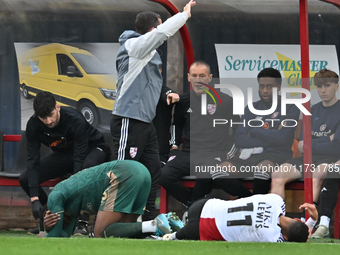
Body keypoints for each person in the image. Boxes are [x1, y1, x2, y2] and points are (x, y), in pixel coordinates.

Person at [110, 0, 196, 220]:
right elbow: (161, 34)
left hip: (145, 122)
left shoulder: (149, 54)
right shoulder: (133, 46)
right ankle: (107, 223)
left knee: (152, 171)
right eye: (158, 27)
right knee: (124, 172)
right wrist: (182, 15)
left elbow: (149, 84)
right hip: (129, 118)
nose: (160, 31)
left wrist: (166, 92)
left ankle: (145, 222)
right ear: (151, 30)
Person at [19, 91, 111, 234]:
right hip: (66, 154)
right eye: (44, 118)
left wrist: (69, 194)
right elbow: (32, 160)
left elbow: (79, 160)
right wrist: (34, 198)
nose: (49, 121)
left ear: (58, 107)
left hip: (93, 149)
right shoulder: (33, 125)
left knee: (85, 169)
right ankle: (52, 218)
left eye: (51, 115)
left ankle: (81, 223)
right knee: (25, 178)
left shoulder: (75, 119)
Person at [159, 60, 239, 207]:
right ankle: (191, 204)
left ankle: (193, 210)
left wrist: (231, 153)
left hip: (214, 154)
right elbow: (176, 124)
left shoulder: (226, 100)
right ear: (188, 77)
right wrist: (174, 145)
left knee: (206, 173)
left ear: (210, 77)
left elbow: (237, 129)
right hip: (188, 154)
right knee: (163, 175)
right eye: (194, 76)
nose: (198, 80)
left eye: (202, 75)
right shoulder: (183, 100)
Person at [212, 67, 300, 197]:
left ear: (279, 87)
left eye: (270, 87)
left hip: (276, 156)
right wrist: (272, 134)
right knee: (218, 172)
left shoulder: (290, 107)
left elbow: (283, 138)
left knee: (262, 170)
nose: (265, 90)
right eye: (262, 86)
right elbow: (240, 139)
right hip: (249, 157)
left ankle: (257, 208)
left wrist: (254, 130)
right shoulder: (251, 108)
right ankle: (251, 201)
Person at [40, 160, 183, 238]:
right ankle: (164, 224)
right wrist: (49, 228)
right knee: (123, 235)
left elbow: (56, 236)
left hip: (124, 173)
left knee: (100, 233)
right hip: (142, 172)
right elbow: (65, 235)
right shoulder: (70, 206)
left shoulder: (55, 195)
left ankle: (155, 225)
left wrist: (44, 233)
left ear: (51, 211)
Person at [271, 69, 340, 209]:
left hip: (331, 159)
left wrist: (314, 143)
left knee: (317, 173)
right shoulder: (311, 110)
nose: (323, 90)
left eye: (327, 85)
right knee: (277, 174)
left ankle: (308, 222)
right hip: (308, 158)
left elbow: (336, 147)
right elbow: (302, 147)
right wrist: (328, 138)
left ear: (336, 86)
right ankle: (277, 222)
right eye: (319, 86)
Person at [161, 194, 318, 242]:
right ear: (284, 237)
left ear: (298, 220)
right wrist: (313, 222)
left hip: (205, 204)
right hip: (201, 229)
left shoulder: (276, 200)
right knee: (176, 236)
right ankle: (173, 233)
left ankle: (173, 228)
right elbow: (290, 240)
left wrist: (311, 219)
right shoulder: (271, 238)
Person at [311, 161, 340, 238]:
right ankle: (309, 224)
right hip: (325, 160)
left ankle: (323, 225)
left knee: (333, 170)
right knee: (321, 172)